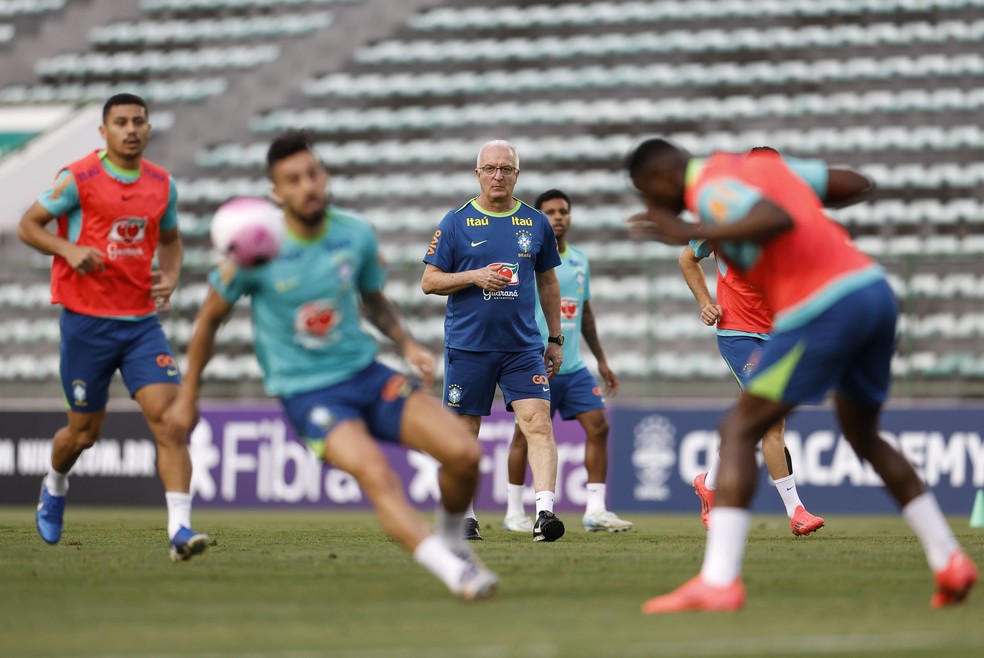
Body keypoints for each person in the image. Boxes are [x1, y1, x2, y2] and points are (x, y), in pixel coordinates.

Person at [626, 138, 978, 612]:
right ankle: (950, 559)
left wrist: (687, 228)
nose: (650, 205)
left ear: (664, 177)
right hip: (873, 292)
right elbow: (855, 182)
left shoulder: (710, 186)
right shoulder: (767, 173)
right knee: (864, 436)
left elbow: (777, 219)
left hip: (821, 304)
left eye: (645, 192)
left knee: (739, 428)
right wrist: (793, 186)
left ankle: (719, 580)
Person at [167, 131, 498, 600]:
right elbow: (207, 323)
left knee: (464, 455)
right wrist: (188, 397)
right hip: (309, 393)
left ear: (325, 176)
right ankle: (455, 572)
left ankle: (450, 538)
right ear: (276, 193)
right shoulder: (254, 246)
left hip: (366, 373)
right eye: (293, 179)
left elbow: (373, 299)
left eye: (313, 173)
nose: (308, 186)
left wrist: (405, 343)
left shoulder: (354, 234)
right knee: (375, 472)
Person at [18, 93, 208, 562]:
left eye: (138, 121)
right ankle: (56, 483)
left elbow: (171, 240)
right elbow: (29, 225)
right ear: (103, 132)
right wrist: (67, 250)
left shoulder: (161, 184)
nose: (130, 129)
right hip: (87, 325)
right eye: (120, 122)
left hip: (141, 324)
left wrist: (171, 275)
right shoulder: (78, 177)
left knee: (171, 421)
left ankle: (180, 530)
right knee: (82, 435)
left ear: (147, 128)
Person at [678, 148, 858, 536]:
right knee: (772, 419)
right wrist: (705, 302)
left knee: (753, 417)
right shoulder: (721, 216)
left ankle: (708, 485)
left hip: (780, 333)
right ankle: (797, 512)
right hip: (738, 332)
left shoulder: (792, 217)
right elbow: (687, 258)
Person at [422, 140, 566, 542]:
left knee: (537, 422)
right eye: (491, 168)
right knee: (464, 431)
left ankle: (544, 514)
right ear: (478, 174)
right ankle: (465, 516)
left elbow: (548, 281)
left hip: (522, 347)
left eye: (506, 168)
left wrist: (554, 338)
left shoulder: (535, 223)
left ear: (517, 174)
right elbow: (429, 281)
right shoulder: (455, 221)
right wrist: (474, 276)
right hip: (469, 345)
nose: (498, 175)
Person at [503, 189, 631, 533]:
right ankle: (514, 511)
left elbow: (584, 313)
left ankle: (595, 510)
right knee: (523, 437)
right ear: (539, 218)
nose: (558, 217)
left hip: (572, 366)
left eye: (563, 211)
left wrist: (601, 361)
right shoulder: (527, 260)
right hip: (534, 362)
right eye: (550, 212)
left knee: (599, 427)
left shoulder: (579, 260)